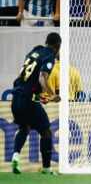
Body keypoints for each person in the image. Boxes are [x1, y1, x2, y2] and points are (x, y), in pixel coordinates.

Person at [11, 32, 62, 174]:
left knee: (24, 129)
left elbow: (27, 79)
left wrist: (39, 97)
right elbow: (42, 79)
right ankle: (46, 168)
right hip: (27, 101)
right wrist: (53, 95)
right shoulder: (50, 57)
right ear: (58, 46)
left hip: (16, 97)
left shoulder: (35, 51)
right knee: (46, 132)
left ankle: (15, 155)